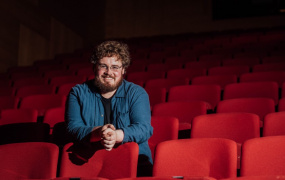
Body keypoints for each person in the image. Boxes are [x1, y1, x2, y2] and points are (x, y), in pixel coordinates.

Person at [65, 40, 153, 176]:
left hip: (134, 163)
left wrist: (116, 135)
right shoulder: (78, 92)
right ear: (95, 68)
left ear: (123, 69)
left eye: (115, 67)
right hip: (91, 164)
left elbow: (144, 128)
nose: (108, 72)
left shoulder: (137, 93)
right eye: (103, 66)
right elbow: (72, 128)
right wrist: (98, 132)